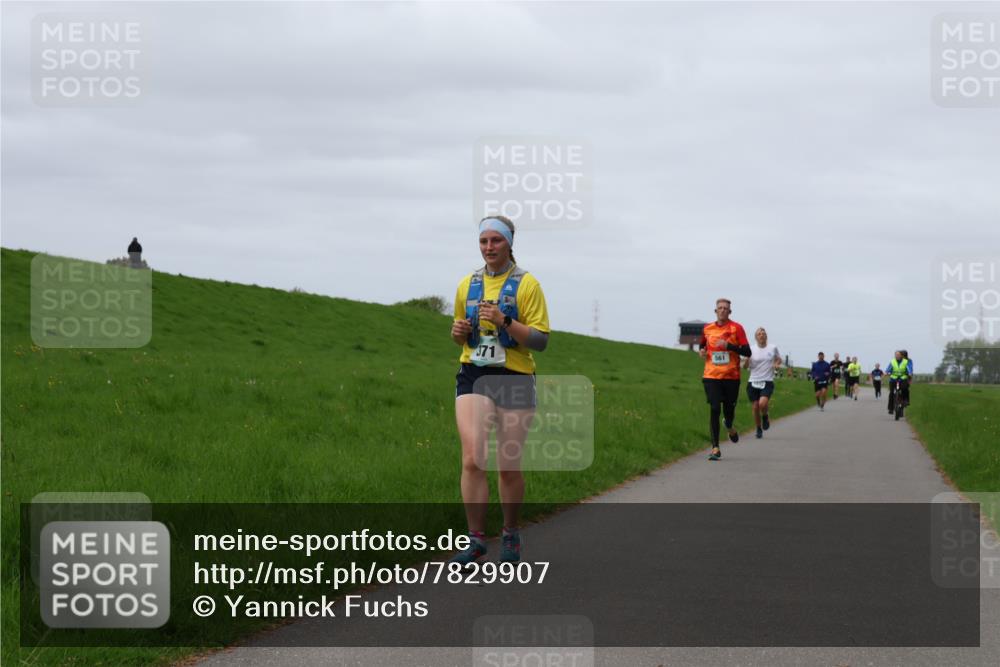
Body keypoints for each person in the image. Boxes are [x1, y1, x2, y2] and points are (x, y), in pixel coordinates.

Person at [449, 215, 550, 565]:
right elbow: (460, 333)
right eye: (483, 241)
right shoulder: (467, 284)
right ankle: (476, 539)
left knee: (508, 464)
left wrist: (505, 321)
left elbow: (540, 341)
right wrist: (459, 332)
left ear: (509, 243)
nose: (489, 247)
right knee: (473, 457)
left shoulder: (527, 285)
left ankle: (510, 532)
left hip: (515, 376)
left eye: (496, 241)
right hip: (473, 373)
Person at [698, 299, 751, 461]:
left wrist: (729, 346)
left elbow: (747, 352)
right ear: (715, 311)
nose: (722, 310)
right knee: (714, 408)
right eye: (719, 308)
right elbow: (702, 345)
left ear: (730, 312)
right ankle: (715, 448)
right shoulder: (707, 328)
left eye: (725, 308)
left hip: (731, 377)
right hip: (711, 375)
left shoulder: (737, 328)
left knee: (728, 411)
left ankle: (729, 425)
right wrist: (701, 351)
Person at [743, 327, 781, 439]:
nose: (762, 335)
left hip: (767, 381)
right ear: (756, 337)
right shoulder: (751, 349)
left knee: (762, 404)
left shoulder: (772, 348)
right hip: (753, 381)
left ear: (766, 336)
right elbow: (745, 367)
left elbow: (778, 359)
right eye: (759, 334)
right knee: (755, 407)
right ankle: (758, 428)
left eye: (763, 333)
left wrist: (776, 364)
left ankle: (765, 416)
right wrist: (746, 361)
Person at [886, 350, 912, 415]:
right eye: (896, 355)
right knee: (891, 393)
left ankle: (905, 401)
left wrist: (910, 373)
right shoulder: (892, 362)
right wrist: (886, 372)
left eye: (898, 355)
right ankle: (891, 408)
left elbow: (909, 369)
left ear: (901, 356)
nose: (897, 356)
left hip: (902, 378)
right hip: (893, 379)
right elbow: (888, 369)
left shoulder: (905, 362)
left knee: (904, 389)